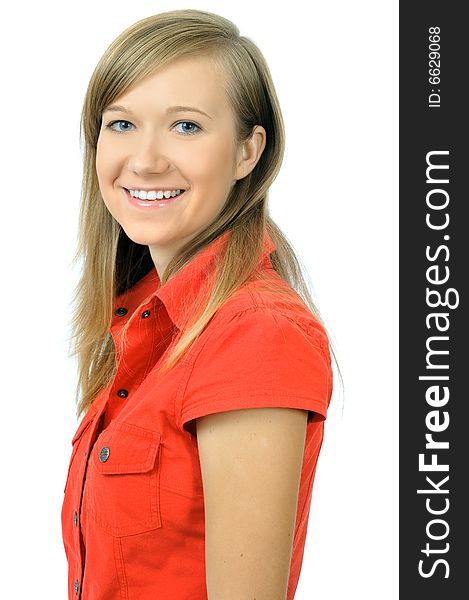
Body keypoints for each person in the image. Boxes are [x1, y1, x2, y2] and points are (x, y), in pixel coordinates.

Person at [61, 9, 334, 600]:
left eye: (186, 126)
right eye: (121, 123)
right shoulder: (138, 324)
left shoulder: (256, 336)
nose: (146, 159)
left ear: (247, 152)